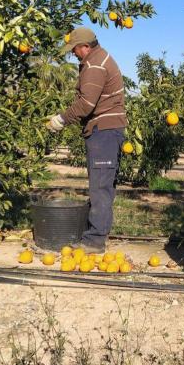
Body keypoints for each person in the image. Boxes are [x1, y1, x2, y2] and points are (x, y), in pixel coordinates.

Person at [46, 27, 126, 253]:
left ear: (86, 47)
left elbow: (86, 105)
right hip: (106, 130)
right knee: (103, 185)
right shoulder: (99, 59)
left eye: (75, 50)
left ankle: (95, 241)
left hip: (104, 131)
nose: (73, 54)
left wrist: (61, 119)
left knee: (100, 186)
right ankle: (95, 233)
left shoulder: (94, 65)